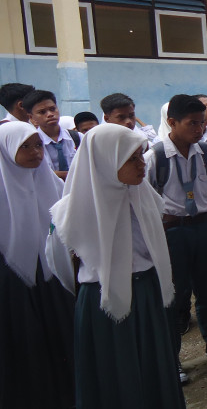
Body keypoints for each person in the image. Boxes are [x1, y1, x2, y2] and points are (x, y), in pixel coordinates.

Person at [49, 124, 185, 408]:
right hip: (104, 301)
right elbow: (59, 264)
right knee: (117, 373)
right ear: (106, 160)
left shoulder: (144, 196)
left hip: (148, 293)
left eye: (140, 156)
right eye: (131, 158)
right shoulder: (71, 211)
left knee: (152, 368)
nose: (141, 164)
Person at [145, 95, 207, 384]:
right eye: (191, 123)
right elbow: (144, 198)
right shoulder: (155, 157)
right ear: (172, 122)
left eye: (201, 123)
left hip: (202, 227)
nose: (199, 129)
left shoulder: (206, 152)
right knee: (175, 295)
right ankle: (171, 357)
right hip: (173, 231)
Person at [0, 122, 74, 409]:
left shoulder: (53, 184)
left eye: (38, 145)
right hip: (11, 285)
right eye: (25, 147)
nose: (35, 153)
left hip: (52, 275)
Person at [23, 90, 77, 180]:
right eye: (42, 112)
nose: (50, 114)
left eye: (52, 109)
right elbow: (37, 174)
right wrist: (73, 174)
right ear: (31, 118)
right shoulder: (31, 145)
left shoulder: (77, 137)